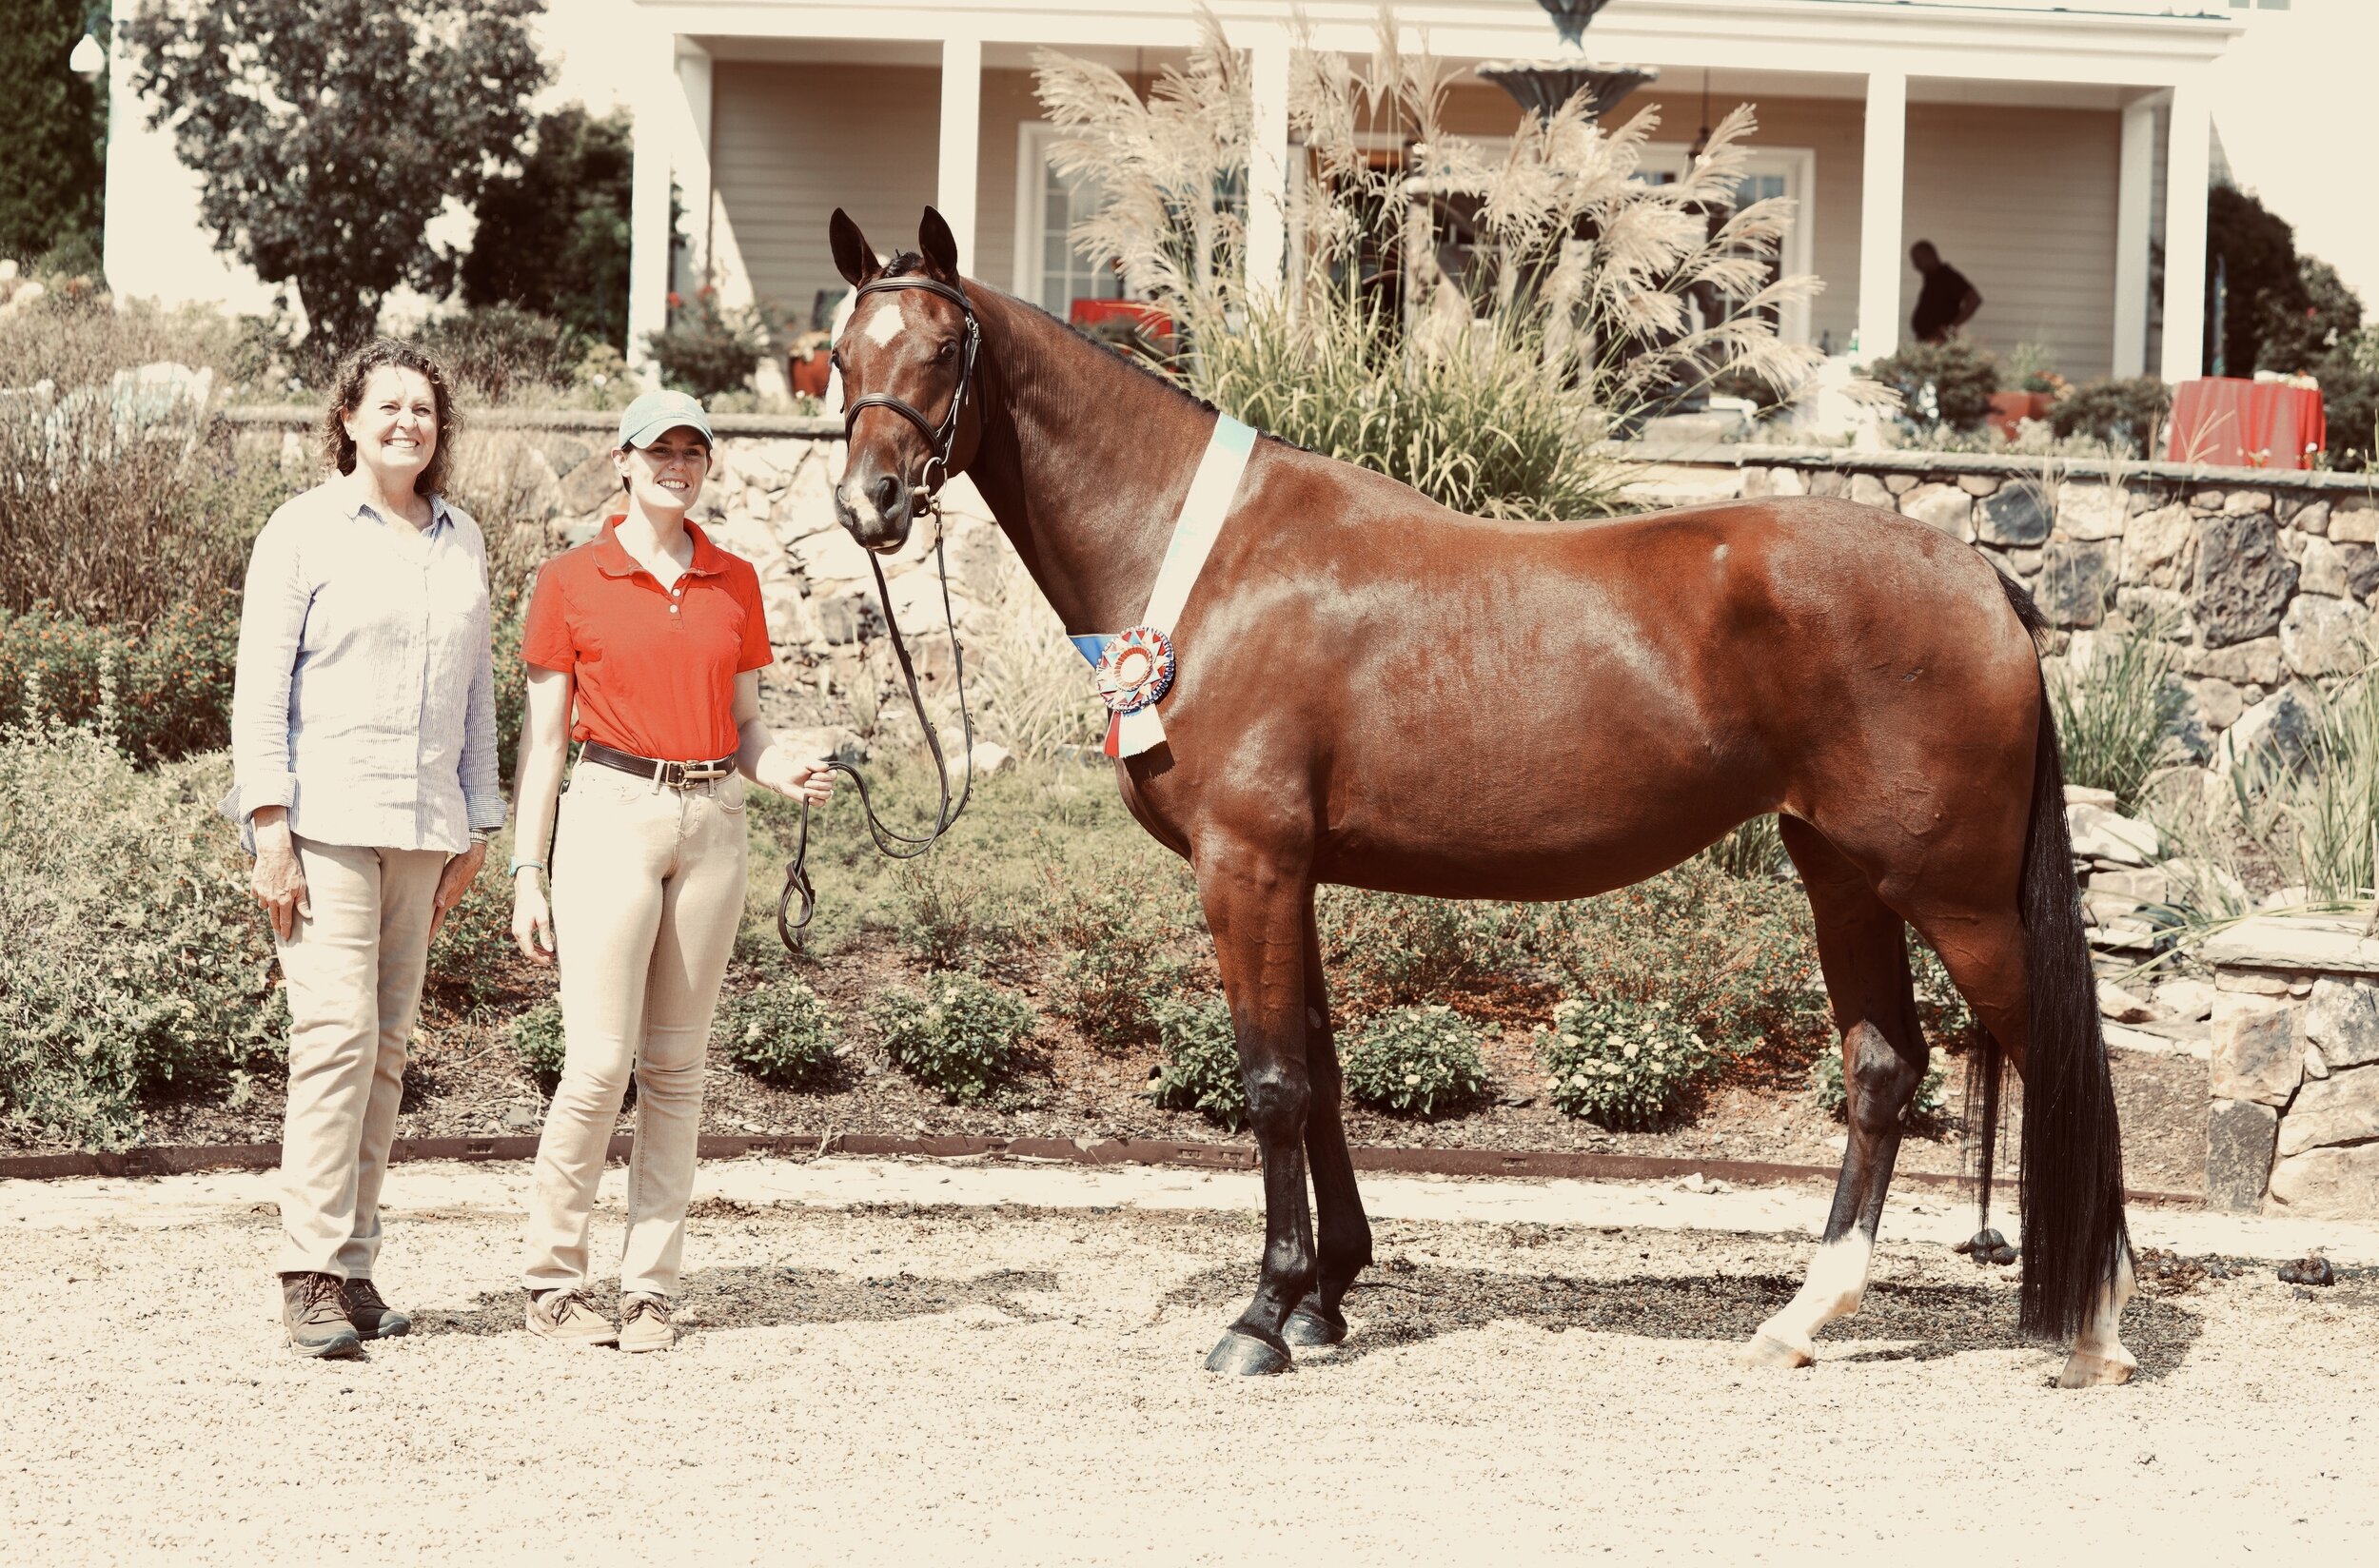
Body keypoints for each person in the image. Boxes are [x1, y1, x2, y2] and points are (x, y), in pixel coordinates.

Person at [509, 388, 835, 1353]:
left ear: (707, 465)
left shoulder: (734, 580)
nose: (676, 465)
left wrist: (783, 769)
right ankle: (552, 1285)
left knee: (679, 1070)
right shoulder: (571, 579)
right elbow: (541, 746)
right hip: (609, 811)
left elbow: (748, 730)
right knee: (601, 1063)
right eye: (659, 449)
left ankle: (650, 1287)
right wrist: (528, 868)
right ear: (624, 459)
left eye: (693, 450)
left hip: (714, 822)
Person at [227, 339, 502, 1359]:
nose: (408, 423)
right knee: (335, 1036)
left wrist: (481, 815)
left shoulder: (460, 535)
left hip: (425, 826)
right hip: (326, 824)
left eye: (424, 410)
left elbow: (477, 692)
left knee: (386, 1051)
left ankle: (350, 1265)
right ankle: (304, 1269)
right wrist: (268, 826)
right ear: (347, 418)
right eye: (388, 406)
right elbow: (259, 690)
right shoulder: (302, 531)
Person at [1909, 241, 1983, 344]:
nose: (1915, 265)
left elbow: (1974, 299)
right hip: (1926, 343)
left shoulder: (1947, 277)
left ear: (1930, 255)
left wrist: (1950, 328)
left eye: (1917, 260)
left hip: (1939, 344)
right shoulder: (1931, 280)